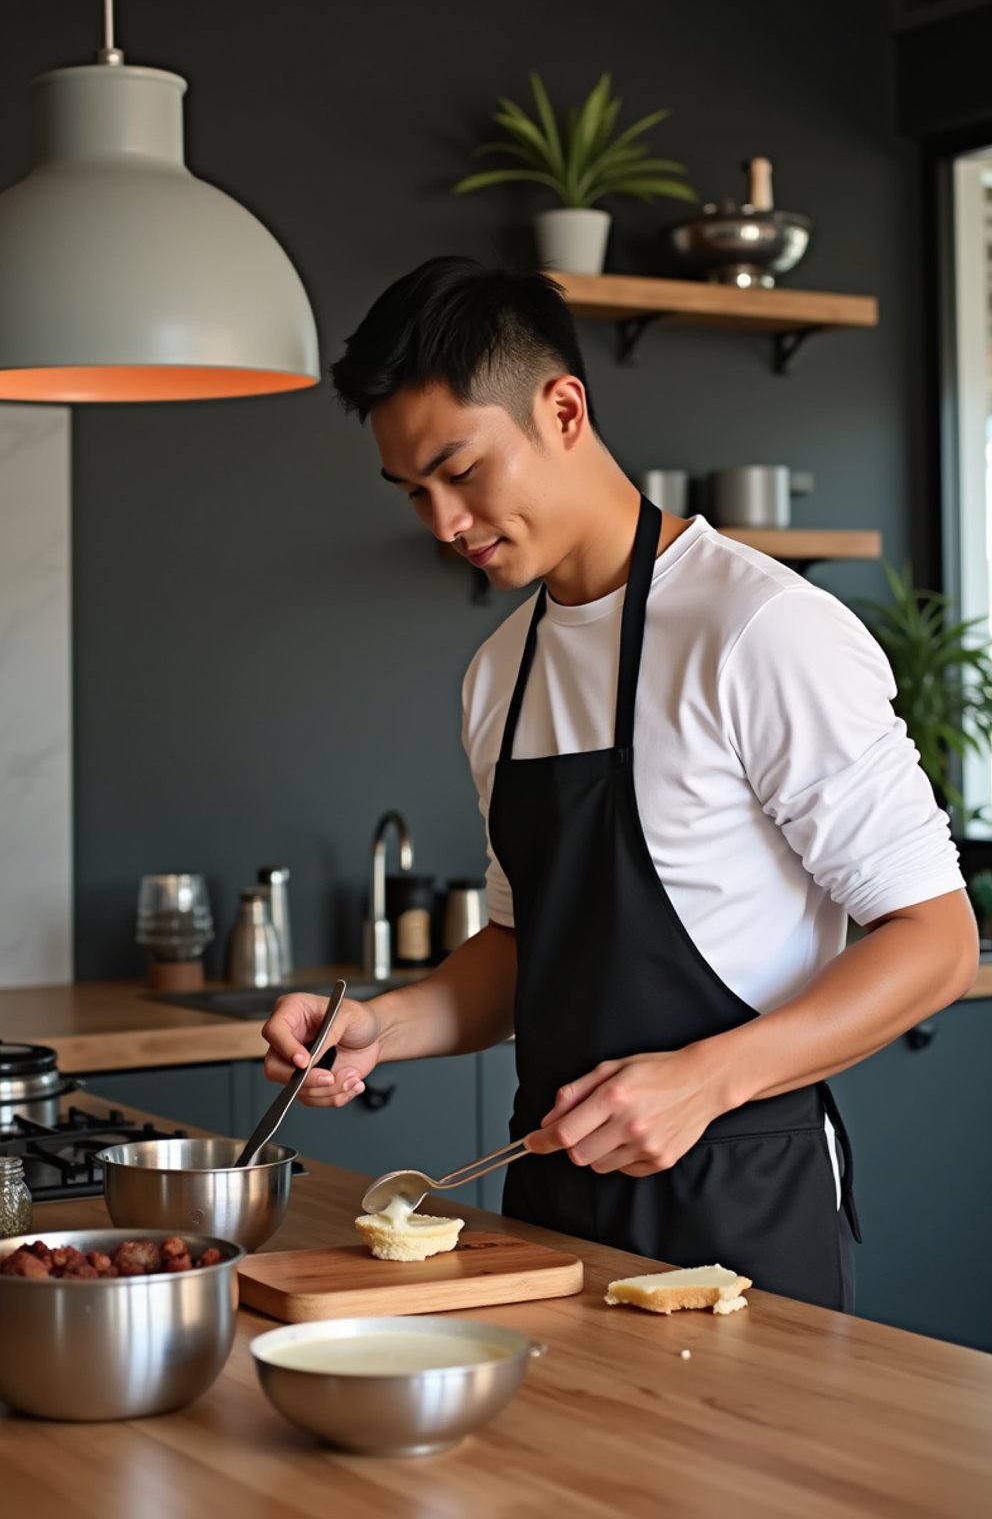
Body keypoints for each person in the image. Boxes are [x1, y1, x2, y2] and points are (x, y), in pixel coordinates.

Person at [262, 256, 977, 1311]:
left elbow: (936, 942)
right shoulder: (498, 671)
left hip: (742, 1205)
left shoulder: (759, 632)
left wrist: (705, 1080)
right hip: (546, 1208)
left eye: (461, 471)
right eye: (414, 491)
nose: (443, 522)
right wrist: (384, 1024)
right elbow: (525, 945)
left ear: (561, 408)